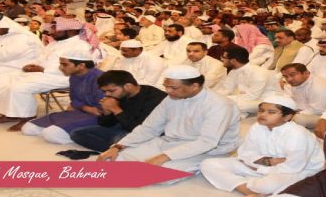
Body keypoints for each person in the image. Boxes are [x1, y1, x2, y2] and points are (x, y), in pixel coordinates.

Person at [96, 65, 242, 174]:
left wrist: (163, 157)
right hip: (170, 142)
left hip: (208, 149)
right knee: (116, 158)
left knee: (157, 172)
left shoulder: (220, 105)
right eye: (166, 87)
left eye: (173, 88)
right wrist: (118, 146)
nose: (168, 91)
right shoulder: (170, 98)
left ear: (195, 86)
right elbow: (149, 128)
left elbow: (207, 142)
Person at [201, 94, 325, 197]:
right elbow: (245, 154)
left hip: (300, 171)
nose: (263, 115)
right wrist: (272, 161)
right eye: (261, 111)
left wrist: (261, 168)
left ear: (287, 117)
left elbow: (293, 166)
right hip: (263, 166)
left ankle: (260, 190)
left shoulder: (297, 134)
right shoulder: (257, 127)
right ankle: (253, 192)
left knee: (265, 185)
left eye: (271, 112)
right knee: (208, 164)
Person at [0, 17, 102, 131]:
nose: (52, 31)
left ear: (70, 30)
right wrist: (32, 65)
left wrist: (43, 70)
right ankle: (10, 113)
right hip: (43, 73)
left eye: (55, 28)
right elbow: (41, 58)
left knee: (19, 87)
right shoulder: (55, 43)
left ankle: (26, 117)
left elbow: (77, 68)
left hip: (63, 77)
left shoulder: (81, 45)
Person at [67, 70, 168, 152]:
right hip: (123, 129)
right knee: (77, 133)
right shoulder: (120, 95)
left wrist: (116, 109)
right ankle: (118, 151)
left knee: (118, 139)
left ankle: (120, 150)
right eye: (104, 91)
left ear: (128, 86)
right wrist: (107, 112)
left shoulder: (155, 98)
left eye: (111, 90)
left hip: (148, 133)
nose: (107, 94)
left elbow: (141, 130)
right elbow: (106, 124)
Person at [20, 51, 105, 144]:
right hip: (79, 111)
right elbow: (74, 101)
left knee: (51, 134)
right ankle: (66, 129)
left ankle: (84, 135)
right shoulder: (74, 76)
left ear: (81, 65)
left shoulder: (100, 78)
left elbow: (100, 111)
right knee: (28, 128)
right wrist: (82, 107)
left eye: (64, 65)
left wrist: (80, 107)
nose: (60, 68)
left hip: (98, 117)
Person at [216, 45, 278, 117]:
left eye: (224, 57)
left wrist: (227, 99)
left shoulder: (258, 73)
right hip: (247, 99)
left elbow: (252, 96)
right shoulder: (233, 72)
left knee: (235, 104)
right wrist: (213, 96)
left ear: (233, 61)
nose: (222, 59)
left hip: (266, 101)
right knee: (220, 100)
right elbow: (227, 89)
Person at [280, 63, 326, 130]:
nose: (289, 79)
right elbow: (294, 100)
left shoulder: (318, 87)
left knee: (299, 119)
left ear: (306, 73)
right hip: (310, 110)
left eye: (292, 75)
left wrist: (292, 115)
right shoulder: (296, 83)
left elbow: (318, 110)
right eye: (285, 76)